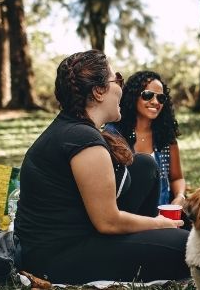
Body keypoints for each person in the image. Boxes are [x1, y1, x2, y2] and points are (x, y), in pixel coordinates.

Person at [15, 50, 190, 284]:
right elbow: (108, 222)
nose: (121, 87)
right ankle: (157, 239)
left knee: (144, 165)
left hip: (77, 234)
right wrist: (160, 224)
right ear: (98, 91)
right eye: (116, 79)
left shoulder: (75, 128)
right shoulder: (82, 139)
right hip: (58, 256)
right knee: (189, 247)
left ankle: (152, 238)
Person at [104, 70, 186, 206]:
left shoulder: (165, 136)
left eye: (161, 98)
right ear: (133, 96)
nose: (155, 102)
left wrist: (180, 197)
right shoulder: (113, 135)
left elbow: (177, 178)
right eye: (148, 95)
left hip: (162, 216)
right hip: (127, 216)